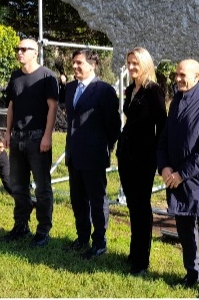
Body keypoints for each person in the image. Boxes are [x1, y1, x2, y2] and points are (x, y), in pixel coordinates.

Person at [157, 59, 199, 299]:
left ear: (197, 77)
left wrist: (181, 173)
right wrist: (164, 167)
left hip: (198, 183)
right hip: (175, 181)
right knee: (185, 232)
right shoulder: (175, 102)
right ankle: (191, 273)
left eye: (183, 75)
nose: (177, 79)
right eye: (176, 74)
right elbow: (163, 139)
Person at [2, 38, 59, 247]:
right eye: (18, 49)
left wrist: (47, 136)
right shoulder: (15, 77)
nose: (20, 52)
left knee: (42, 188)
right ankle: (21, 226)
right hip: (17, 137)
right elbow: (11, 106)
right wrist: (7, 133)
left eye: (24, 49)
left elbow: (52, 108)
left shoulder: (46, 77)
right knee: (18, 186)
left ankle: (43, 230)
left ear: (35, 52)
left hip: (37, 138)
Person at [64, 49, 121, 259]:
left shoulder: (104, 90)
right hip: (74, 156)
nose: (75, 66)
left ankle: (99, 242)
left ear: (93, 65)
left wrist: (104, 147)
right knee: (78, 200)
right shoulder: (70, 88)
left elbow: (114, 126)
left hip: (94, 156)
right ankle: (82, 238)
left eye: (79, 63)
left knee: (97, 201)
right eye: (74, 63)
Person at [115, 47, 167, 276]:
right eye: (129, 62)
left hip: (144, 157)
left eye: (136, 63)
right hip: (126, 154)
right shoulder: (130, 89)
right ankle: (134, 252)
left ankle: (141, 260)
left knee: (141, 207)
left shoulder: (153, 91)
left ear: (145, 64)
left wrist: (157, 157)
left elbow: (162, 127)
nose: (131, 66)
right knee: (132, 205)